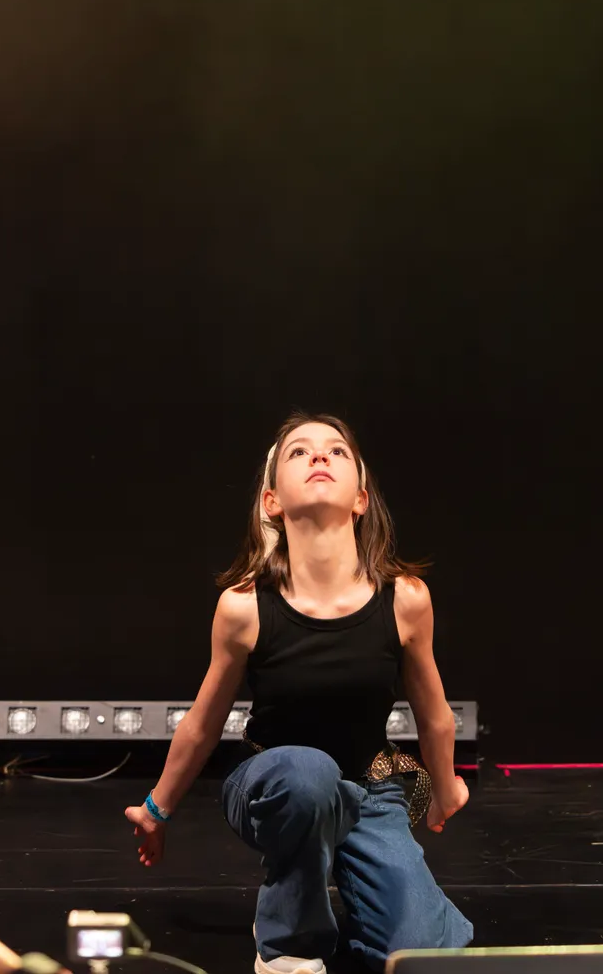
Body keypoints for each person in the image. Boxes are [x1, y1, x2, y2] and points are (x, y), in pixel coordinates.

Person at [124, 413, 474, 973]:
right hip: (274, 783)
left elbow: (435, 716)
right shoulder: (244, 607)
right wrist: (155, 809)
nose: (319, 457)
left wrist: (446, 786)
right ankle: (289, 943)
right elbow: (202, 724)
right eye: (299, 452)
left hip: (368, 790)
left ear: (360, 499)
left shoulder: (405, 599)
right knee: (309, 775)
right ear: (272, 502)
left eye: (337, 451)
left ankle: (363, 913)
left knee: (419, 953)